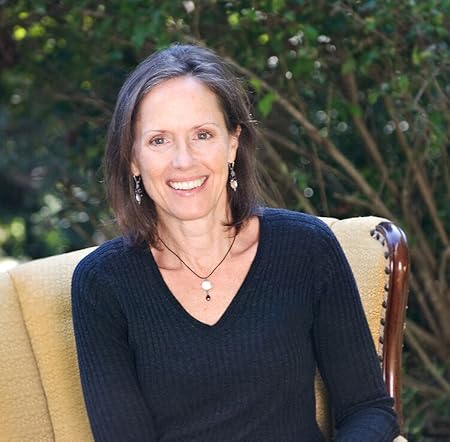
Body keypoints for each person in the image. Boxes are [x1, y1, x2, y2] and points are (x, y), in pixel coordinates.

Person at [71, 43, 400, 441]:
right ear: (133, 159)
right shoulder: (102, 283)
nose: (183, 161)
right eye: (159, 140)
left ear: (232, 143)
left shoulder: (306, 249)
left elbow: (369, 409)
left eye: (202, 135)